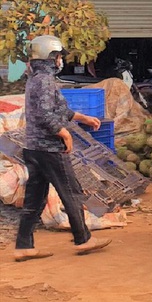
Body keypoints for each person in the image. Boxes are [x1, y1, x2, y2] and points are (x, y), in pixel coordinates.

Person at [14, 35, 111, 262]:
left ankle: (23, 246)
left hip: (34, 148)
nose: (60, 61)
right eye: (58, 57)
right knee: (71, 192)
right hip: (49, 149)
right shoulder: (45, 81)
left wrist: (83, 118)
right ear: (51, 57)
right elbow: (46, 115)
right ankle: (83, 240)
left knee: (35, 198)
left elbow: (57, 109)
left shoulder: (35, 78)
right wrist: (64, 132)